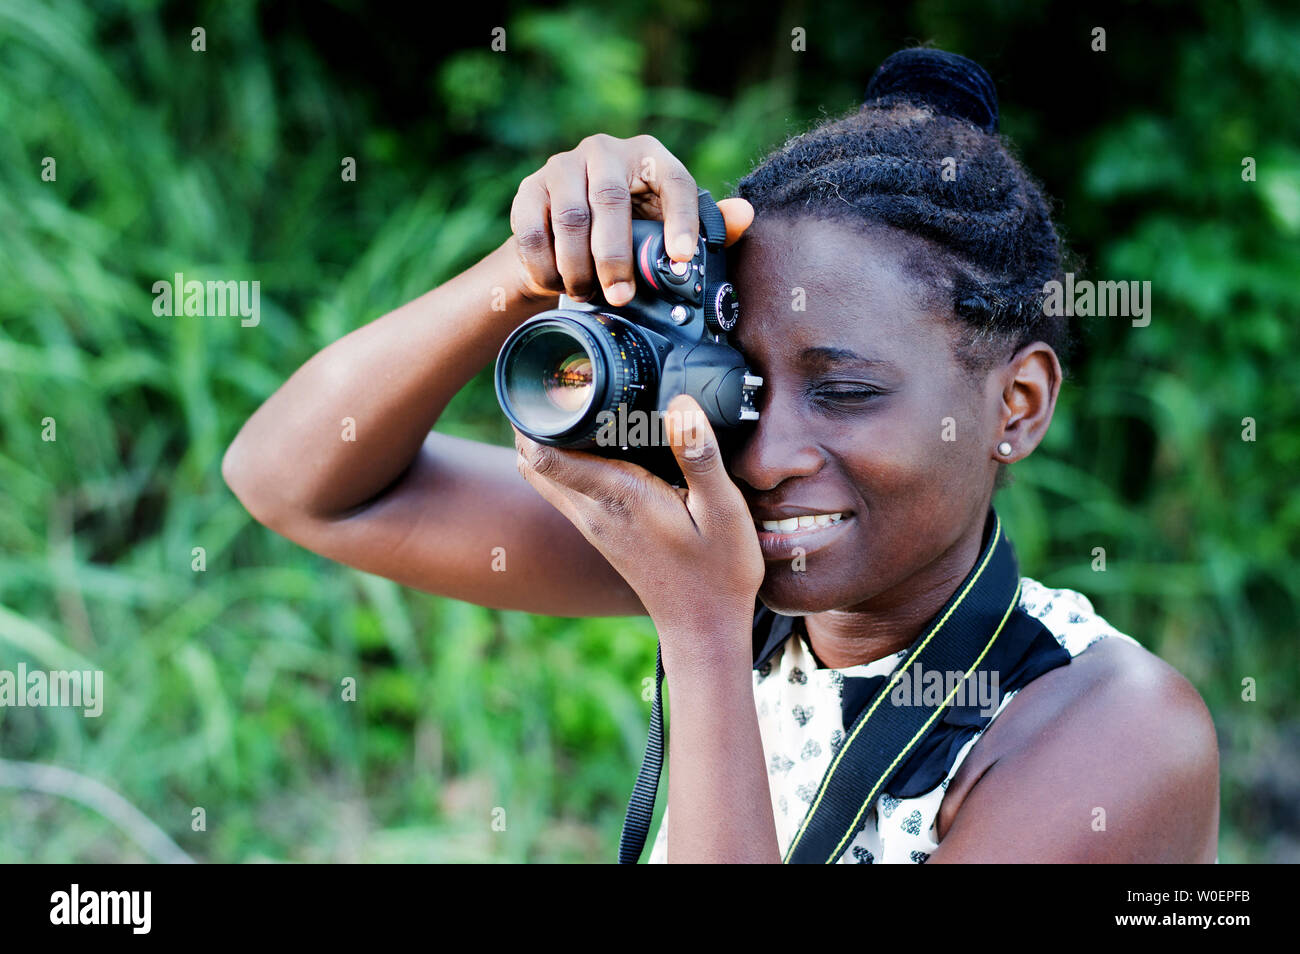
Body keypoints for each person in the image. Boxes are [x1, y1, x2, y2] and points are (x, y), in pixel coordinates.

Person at [222, 48, 1219, 863]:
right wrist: (530, 272)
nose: (766, 452)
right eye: (736, 385)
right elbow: (297, 482)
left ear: (1018, 402)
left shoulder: (1112, 731)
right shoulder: (746, 570)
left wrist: (698, 628)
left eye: (844, 390)